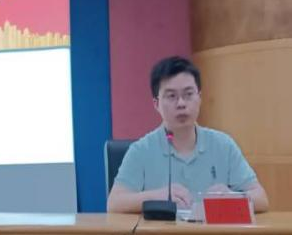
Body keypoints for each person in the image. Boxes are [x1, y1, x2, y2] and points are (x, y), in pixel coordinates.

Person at [107, 56, 269, 214]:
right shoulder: (141, 150)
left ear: (199, 98)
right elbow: (114, 203)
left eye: (188, 94)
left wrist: (233, 197)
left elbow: (261, 199)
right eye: (171, 96)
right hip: (162, 232)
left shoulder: (223, 145)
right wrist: (157, 196)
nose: (181, 104)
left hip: (212, 232)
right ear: (156, 104)